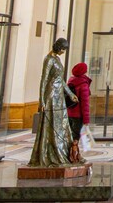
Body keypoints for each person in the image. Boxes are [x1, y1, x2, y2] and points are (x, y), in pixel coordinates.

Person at [29, 38, 81, 167]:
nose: (63, 52)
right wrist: (41, 100)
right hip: (51, 96)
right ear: (58, 47)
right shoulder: (49, 60)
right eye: (63, 49)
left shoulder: (57, 59)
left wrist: (70, 94)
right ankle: (50, 151)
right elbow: (44, 79)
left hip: (59, 97)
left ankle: (61, 150)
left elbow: (60, 79)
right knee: (51, 123)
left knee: (61, 123)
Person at [67, 62, 91, 139]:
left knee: (69, 136)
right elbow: (85, 104)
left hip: (69, 114)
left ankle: (69, 150)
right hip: (78, 115)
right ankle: (73, 151)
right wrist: (86, 120)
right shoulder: (83, 84)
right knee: (75, 138)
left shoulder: (70, 82)